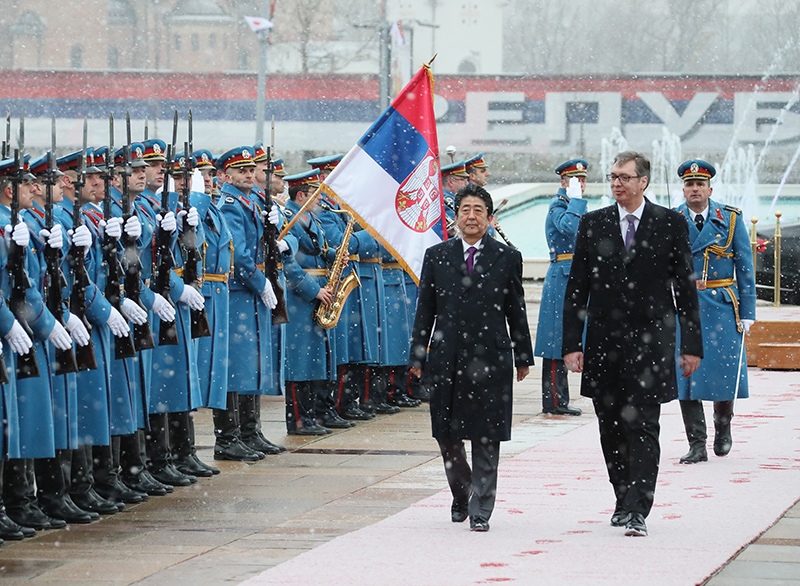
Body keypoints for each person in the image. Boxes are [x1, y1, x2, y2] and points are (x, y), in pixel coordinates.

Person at [562, 150, 703, 538]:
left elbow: (685, 290)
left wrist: (691, 345)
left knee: (644, 425)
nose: (617, 184)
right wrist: (572, 344)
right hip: (604, 343)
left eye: (624, 177)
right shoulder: (594, 224)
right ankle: (621, 498)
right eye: (612, 177)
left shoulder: (669, 224)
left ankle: (640, 506)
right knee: (610, 428)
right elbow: (577, 289)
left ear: (643, 182)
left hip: (651, 343)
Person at [409, 183, 532, 533]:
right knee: (446, 435)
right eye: (466, 210)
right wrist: (418, 355)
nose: (472, 216)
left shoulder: (507, 257)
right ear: (456, 216)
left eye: (479, 210)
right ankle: (462, 492)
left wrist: (522, 354)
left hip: (491, 356)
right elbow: (425, 311)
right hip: (446, 356)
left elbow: (516, 310)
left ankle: (482, 506)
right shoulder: (437, 255)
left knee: (486, 433)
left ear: (490, 218)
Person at [673, 160, 756, 463]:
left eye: (700, 184)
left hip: (721, 305)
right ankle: (696, 443)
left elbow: (745, 269)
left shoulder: (731, 220)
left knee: (723, 374)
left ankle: (723, 427)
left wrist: (747, 311)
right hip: (684, 308)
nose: (694, 189)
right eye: (689, 184)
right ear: (683, 189)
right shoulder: (672, 219)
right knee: (687, 378)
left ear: (710, 188)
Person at [534, 159, 588, 416]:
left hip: (576, 274)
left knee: (577, 337)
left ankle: (560, 399)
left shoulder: (574, 207)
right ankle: (554, 401)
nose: (581, 186)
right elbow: (569, 227)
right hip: (562, 276)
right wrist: (575, 199)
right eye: (575, 180)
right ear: (564, 183)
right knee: (557, 341)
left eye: (583, 180)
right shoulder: (560, 206)